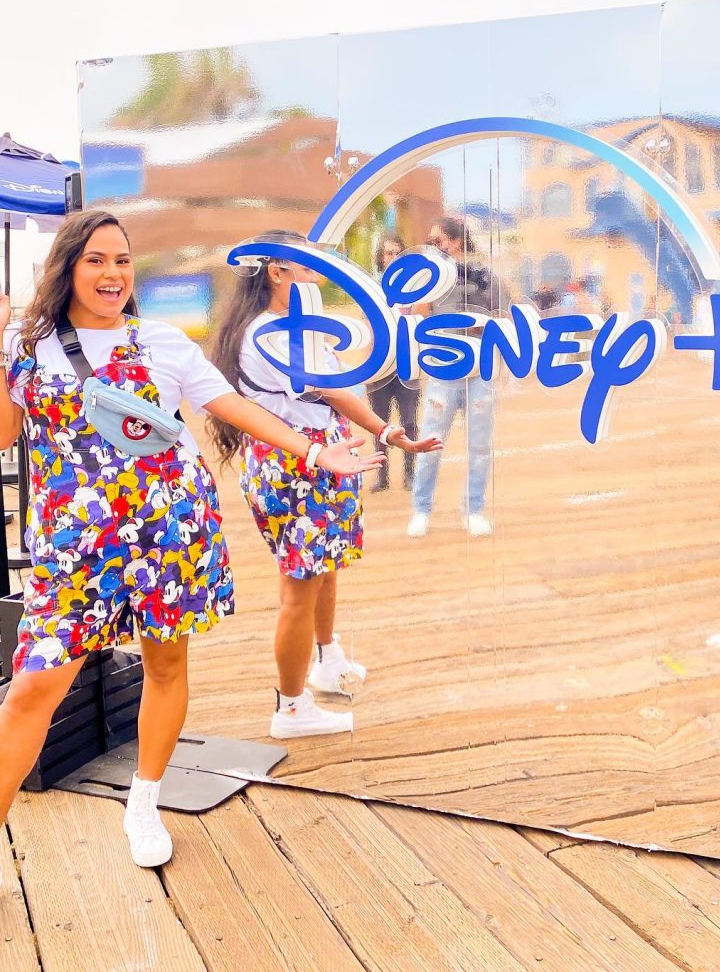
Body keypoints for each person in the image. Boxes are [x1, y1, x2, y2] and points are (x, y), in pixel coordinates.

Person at [0, 209, 383, 961]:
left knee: (166, 666)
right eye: (96, 260)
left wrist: (316, 454)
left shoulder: (159, 341)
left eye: (123, 261)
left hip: (169, 533)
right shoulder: (28, 346)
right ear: (68, 267)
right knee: (32, 688)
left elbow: (236, 409)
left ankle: (145, 801)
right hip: (74, 548)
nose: (112, 274)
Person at [207, 233, 440, 740]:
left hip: (310, 455)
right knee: (299, 588)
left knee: (323, 570)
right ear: (277, 272)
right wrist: (385, 431)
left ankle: (326, 659)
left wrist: (383, 431)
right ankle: (291, 707)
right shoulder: (273, 332)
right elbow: (332, 390)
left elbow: (333, 391)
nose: (315, 278)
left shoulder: (279, 327)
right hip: (299, 460)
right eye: (307, 269)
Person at [407, 217, 508, 539]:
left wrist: (480, 324)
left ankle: (473, 509)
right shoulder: (432, 277)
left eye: (439, 240)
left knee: (479, 445)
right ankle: (421, 509)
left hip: (480, 369)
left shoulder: (483, 275)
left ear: (456, 240)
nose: (435, 246)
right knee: (431, 442)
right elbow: (419, 313)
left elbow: (503, 315)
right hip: (444, 368)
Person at [366, 235, 420, 492]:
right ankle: (382, 476)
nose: (391, 258)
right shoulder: (372, 289)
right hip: (380, 364)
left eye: (396, 253)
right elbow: (368, 329)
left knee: (408, 421)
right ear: (381, 258)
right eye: (387, 253)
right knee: (379, 422)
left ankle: (410, 473)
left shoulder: (415, 290)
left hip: (406, 363)